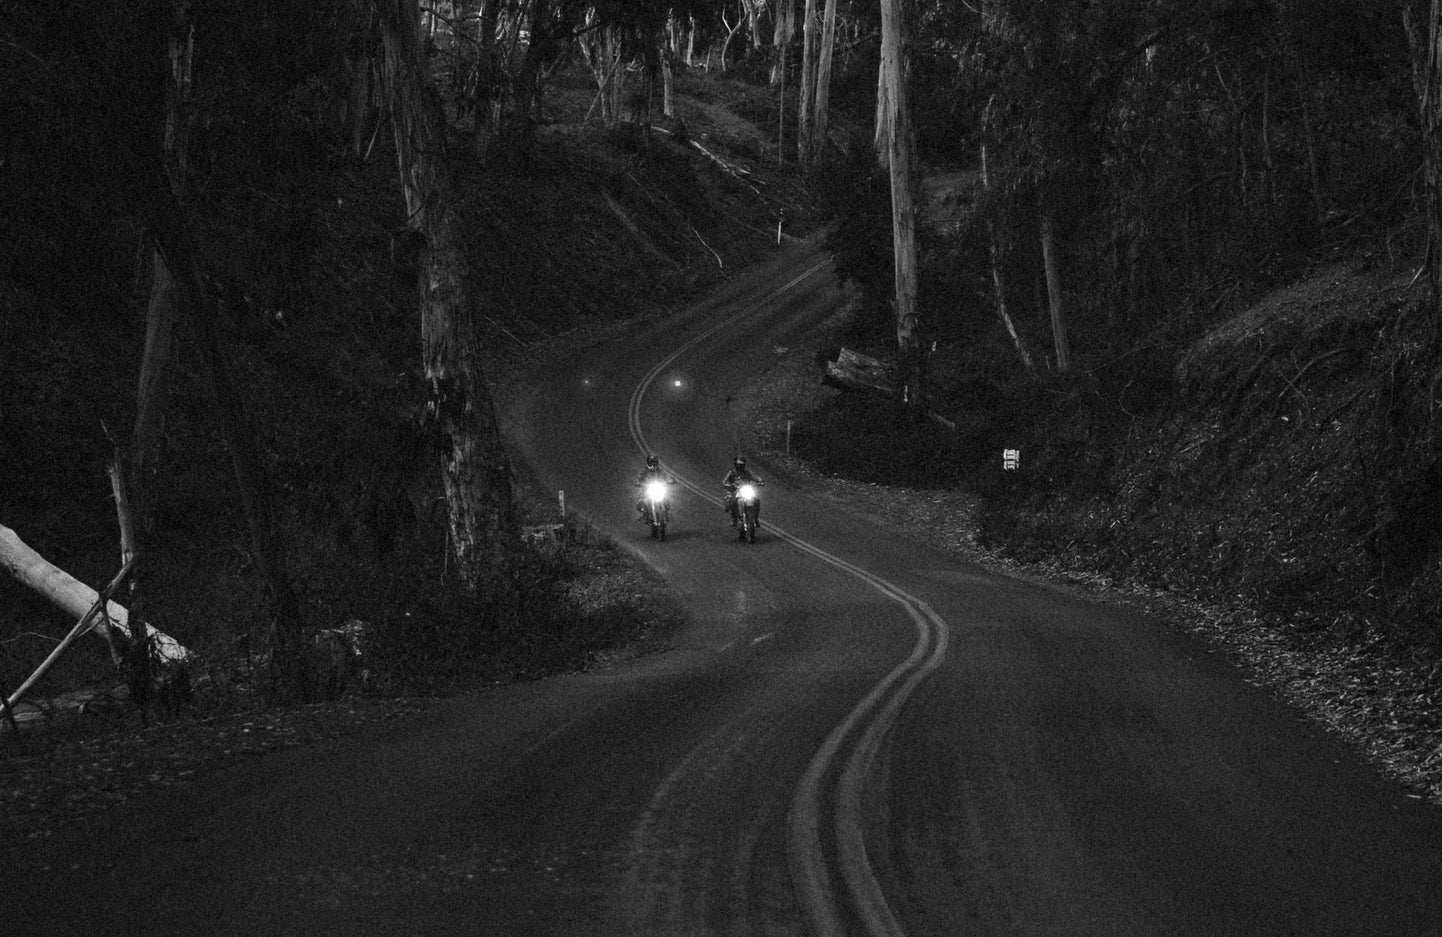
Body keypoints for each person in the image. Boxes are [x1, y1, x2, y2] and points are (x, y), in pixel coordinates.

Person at [721, 455, 762, 526]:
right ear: (735, 465)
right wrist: (728, 485)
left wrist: (760, 481)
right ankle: (734, 518)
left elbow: (755, 477)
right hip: (736, 490)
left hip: (747, 489)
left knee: (756, 501)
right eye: (738, 465)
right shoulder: (732, 473)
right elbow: (725, 481)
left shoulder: (747, 472)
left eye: (741, 465)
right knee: (732, 501)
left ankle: (755, 518)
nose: (739, 466)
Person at [635, 455, 675, 522]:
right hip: (647, 490)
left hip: (658, 488)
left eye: (654, 463)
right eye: (651, 463)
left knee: (666, 500)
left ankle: (665, 514)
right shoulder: (644, 471)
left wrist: (670, 480)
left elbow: (666, 475)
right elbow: (639, 478)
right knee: (641, 502)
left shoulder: (660, 470)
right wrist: (639, 482)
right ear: (648, 463)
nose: (653, 465)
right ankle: (645, 515)